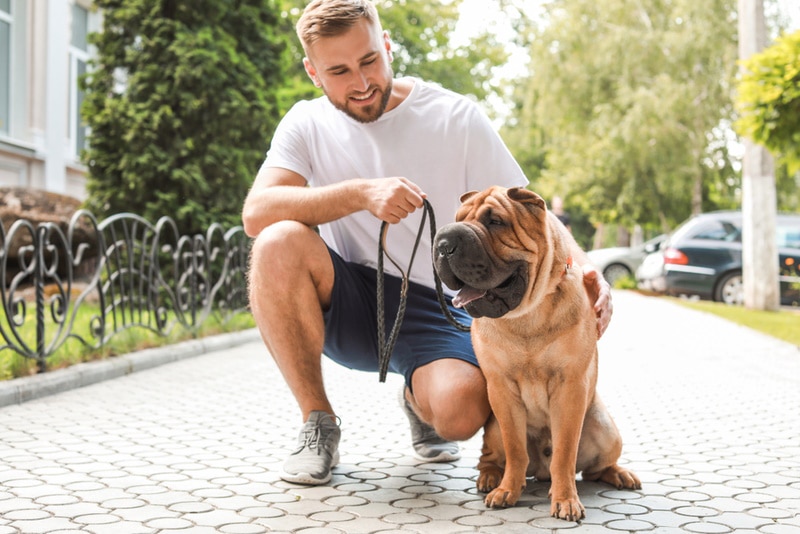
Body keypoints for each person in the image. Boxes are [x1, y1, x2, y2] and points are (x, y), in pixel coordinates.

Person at [241, 0, 613, 486]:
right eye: (339, 71)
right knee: (277, 241)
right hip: (351, 297)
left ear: (387, 45)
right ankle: (318, 422)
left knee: (459, 413)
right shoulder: (305, 123)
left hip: (440, 304)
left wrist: (588, 269)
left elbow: (534, 219)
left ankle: (419, 398)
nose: (361, 82)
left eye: (370, 60)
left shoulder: (455, 117)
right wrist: (359, 193)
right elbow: (256, 212)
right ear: (313, 72)